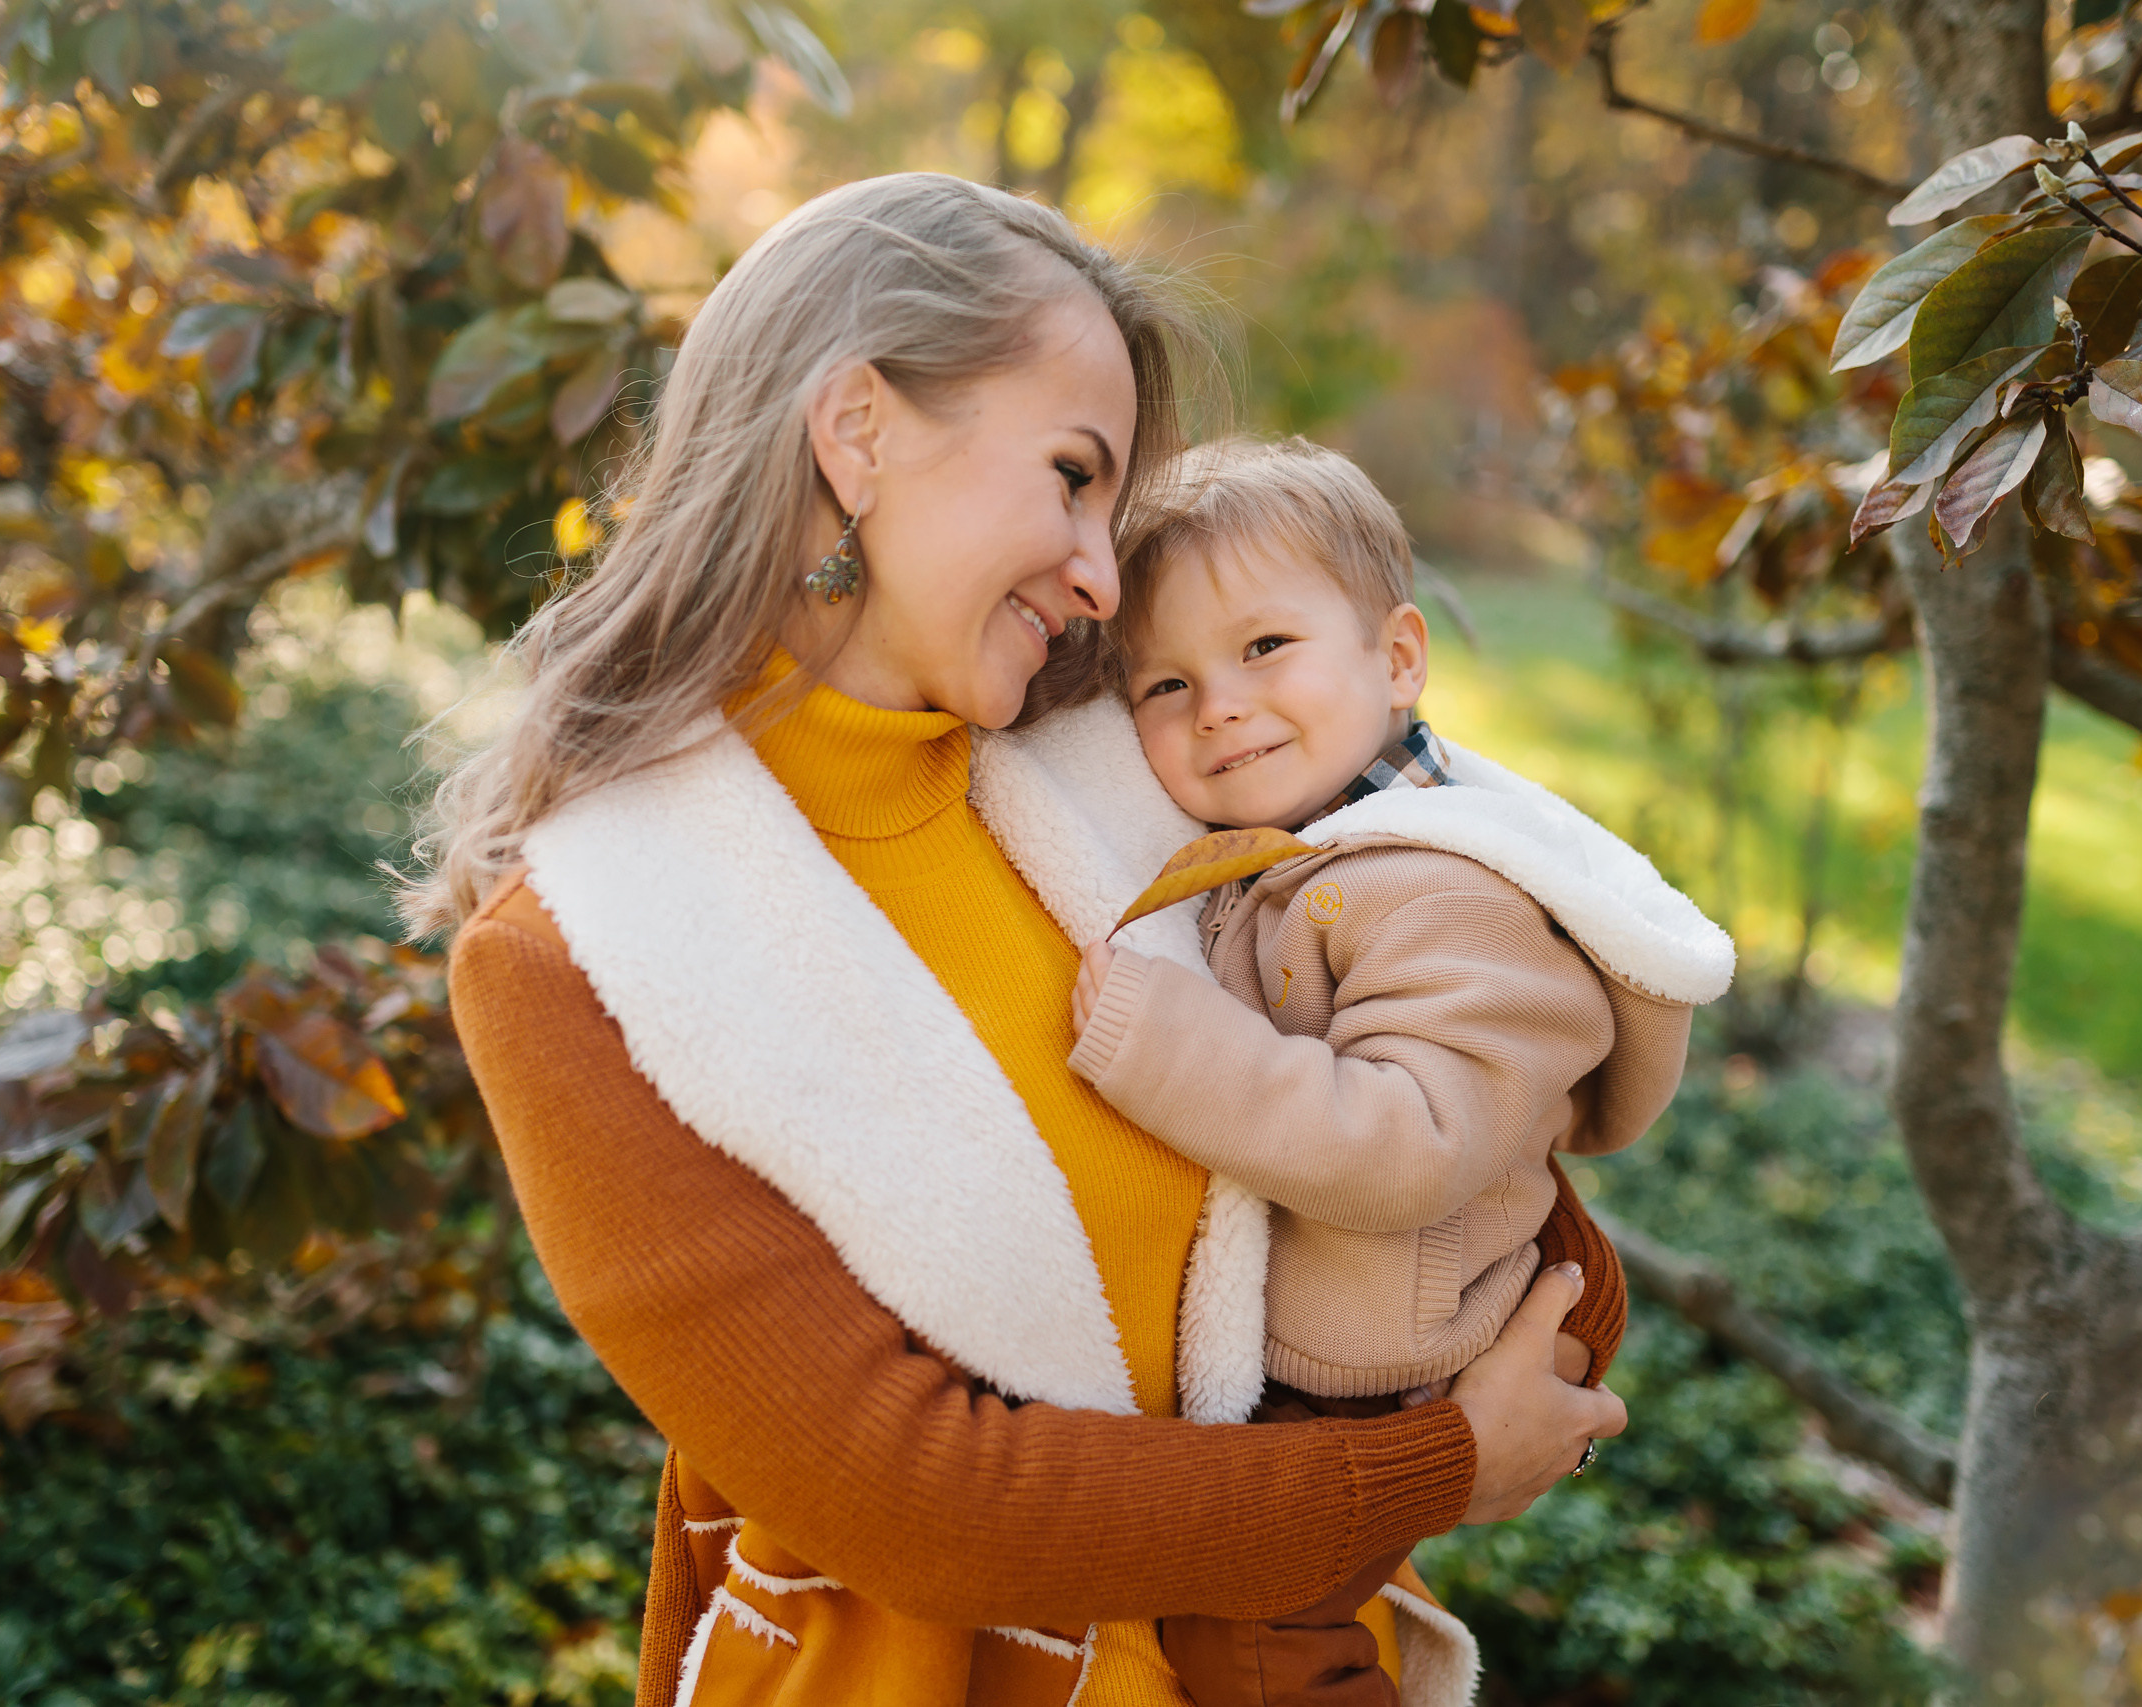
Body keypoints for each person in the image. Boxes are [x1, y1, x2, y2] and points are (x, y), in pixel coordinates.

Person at [413, 174, 1629, 1707]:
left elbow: (1484, 1126)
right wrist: (1434, 1464)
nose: (1104, 577)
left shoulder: (1135, 769)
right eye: (1070, 476)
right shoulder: (583, 950)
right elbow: (918, 1498)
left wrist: (1541, 1323)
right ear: (858, 430)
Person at [1063, 437, 1734, 1706]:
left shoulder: (1441, 889)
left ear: (1398, 659)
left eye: (1265, 647)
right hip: (1314, 1357)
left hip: (1363, 1382)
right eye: (1165, 683)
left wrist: (1170, 1049)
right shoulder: (1299, 848)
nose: (1218, 706)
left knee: (1253, 1650)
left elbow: (1411, 1145)